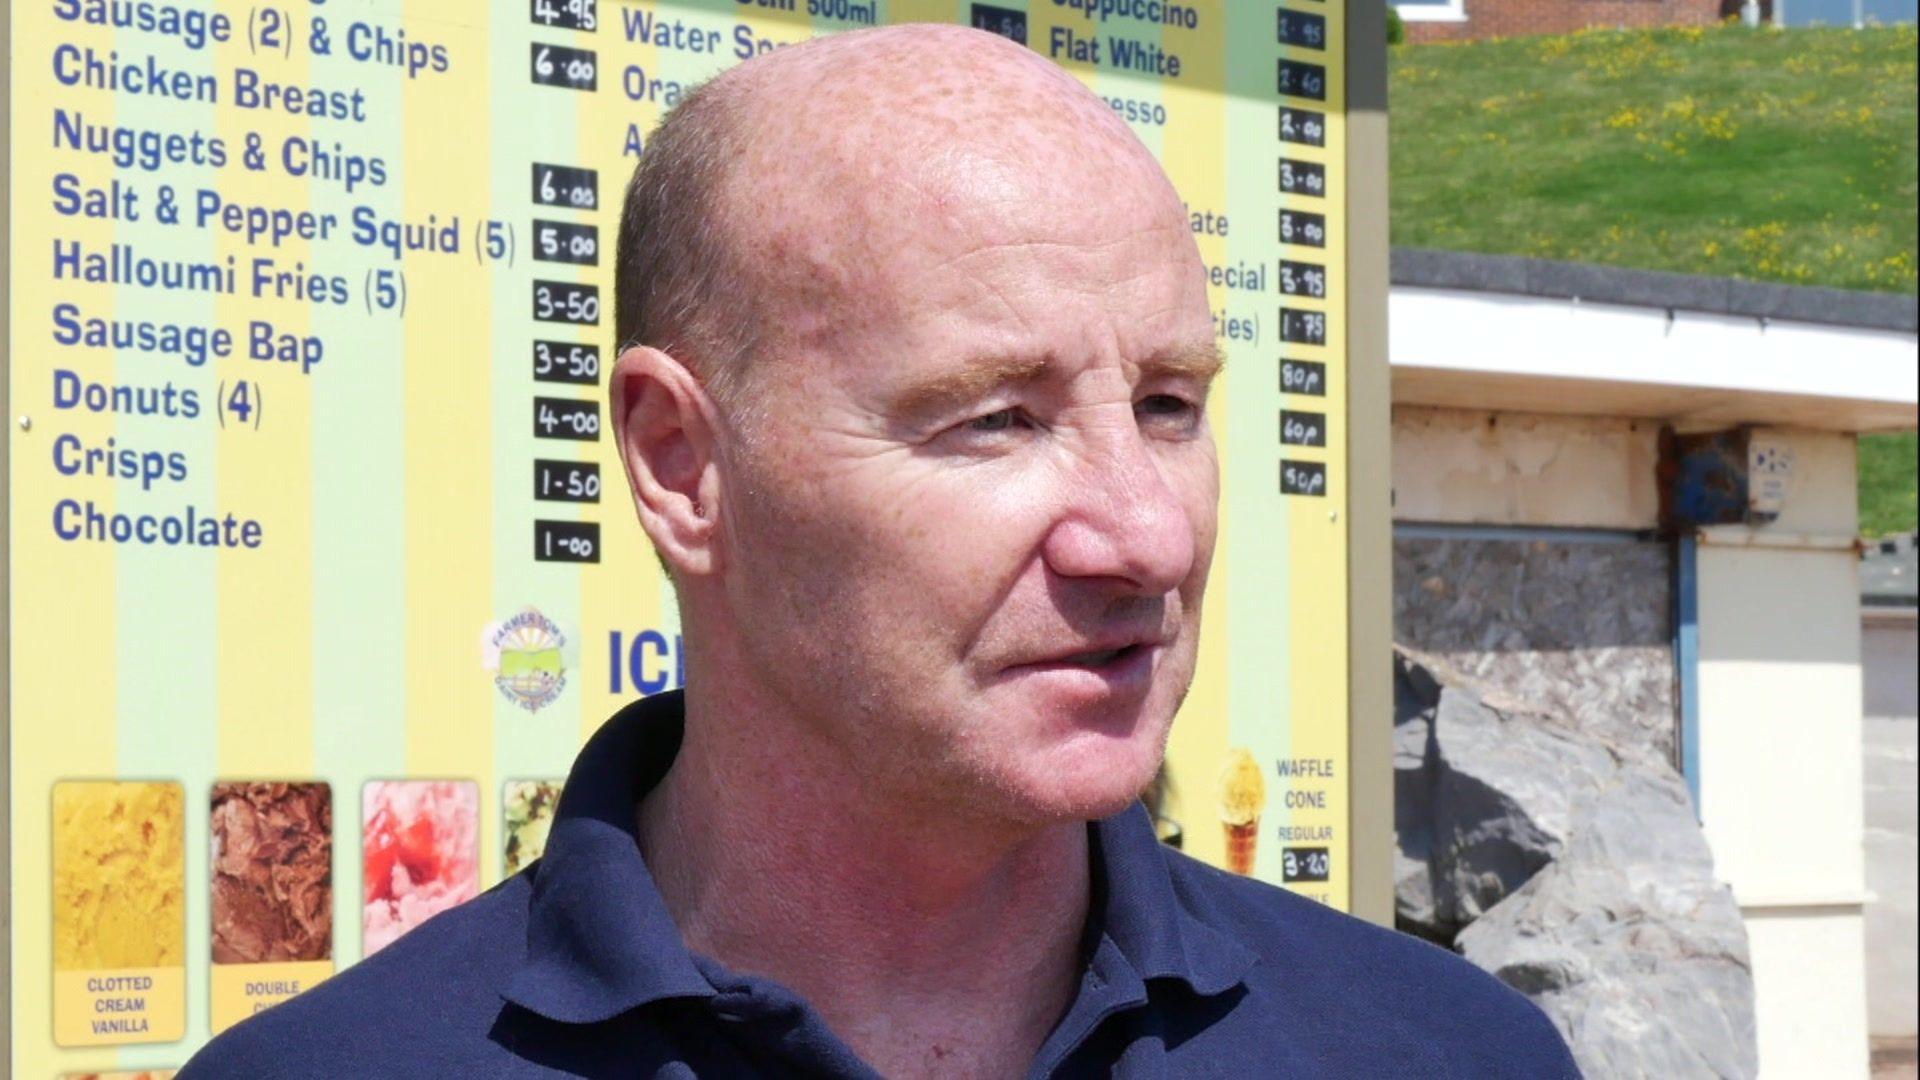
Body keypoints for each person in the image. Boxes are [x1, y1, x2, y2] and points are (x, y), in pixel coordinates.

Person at [182, 24, 1577, 1078]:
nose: (1147, 534)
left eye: (1168, 403)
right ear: (682, 463)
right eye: (995, 420)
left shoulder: (1445, 1053)